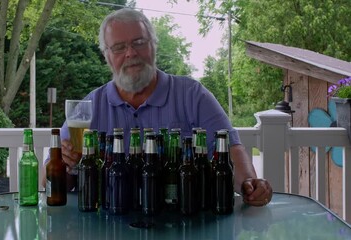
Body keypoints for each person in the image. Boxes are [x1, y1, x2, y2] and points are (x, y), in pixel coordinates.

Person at [51, 8, 272, 207]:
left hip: (183, 221)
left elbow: (232, 149)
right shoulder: (90, 105)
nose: (130, 53)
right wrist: (65, 164)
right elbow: (49, 182)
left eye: (139, 42)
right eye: (119, 47)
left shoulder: (192, 95)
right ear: (107, 56)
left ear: (154, 45)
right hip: (107, 222)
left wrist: (250, 185)